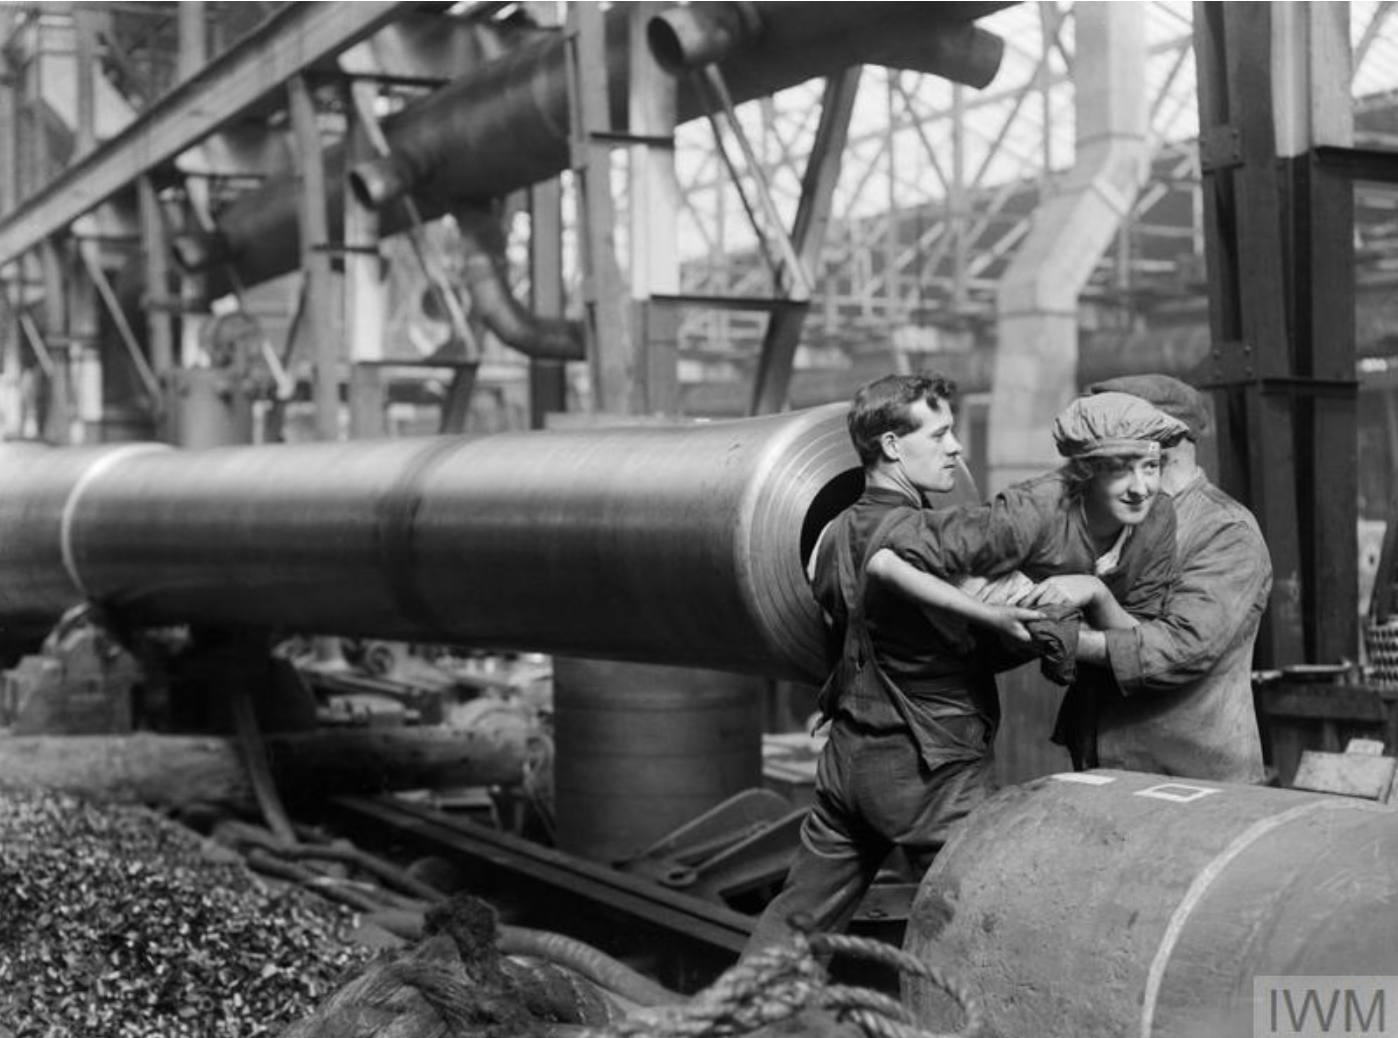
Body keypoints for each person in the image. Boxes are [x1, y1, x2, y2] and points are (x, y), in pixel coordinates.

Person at [743, 376, 1185, 956]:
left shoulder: (830, 534)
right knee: (985, 916)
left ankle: (746, 1017)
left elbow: (875, 599)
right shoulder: (909, 534)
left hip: (848, 758)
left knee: (797, 921)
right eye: (941, 433)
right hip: (928, 766)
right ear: (893, 447)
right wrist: (1049, 604)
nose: (956, 447)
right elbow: (900, 575)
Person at [1072, 373, 1270, 784]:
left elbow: (1182, 649)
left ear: (1164, 435)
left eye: (1114, 429)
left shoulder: (1225, 530)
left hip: (1194, 783)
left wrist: (1071, 641)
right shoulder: (1115, 520)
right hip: (1112, 772)